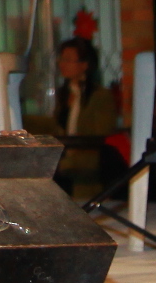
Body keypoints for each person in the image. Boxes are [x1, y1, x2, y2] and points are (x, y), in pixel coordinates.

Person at [47, 37, 120, 198]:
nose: (62, 64)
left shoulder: (100, 95)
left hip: (87, 164)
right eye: (61, 59)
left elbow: (102, 133)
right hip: (63, 161)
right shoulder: (63, 94)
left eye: (68, 60)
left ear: (84, 65)